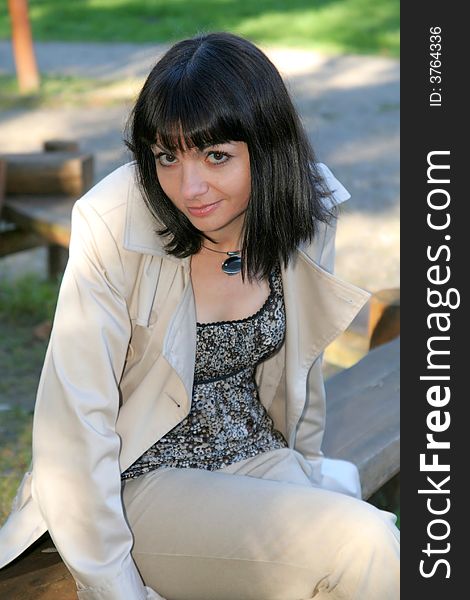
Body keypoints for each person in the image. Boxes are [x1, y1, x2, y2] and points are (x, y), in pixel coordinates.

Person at [0, 32, 399, 599]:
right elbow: (75, 433)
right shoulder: (113, 223)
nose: (189, 187)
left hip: (253, 456)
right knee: (364, 543)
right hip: (133, 483)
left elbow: (302, 373)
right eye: (167, 156)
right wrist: (118, 592)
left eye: (216, 155)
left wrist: (306, 475)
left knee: (351, 563)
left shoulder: (306, 213)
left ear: (266, 147)